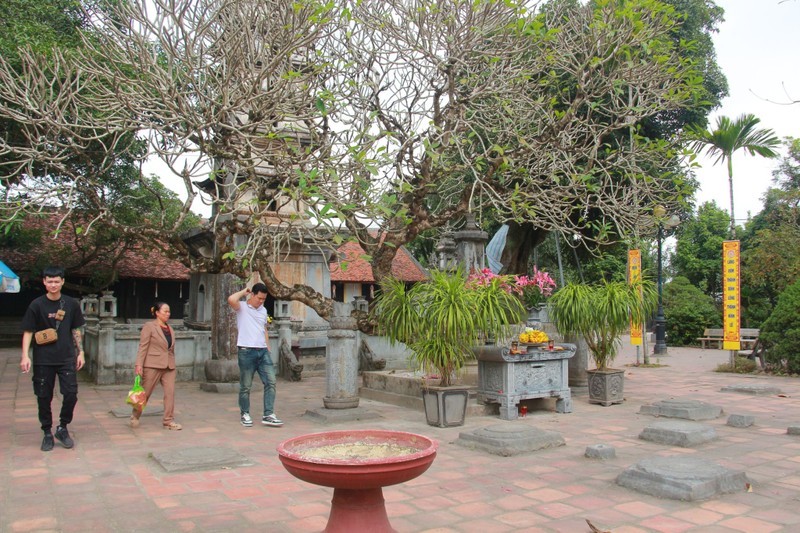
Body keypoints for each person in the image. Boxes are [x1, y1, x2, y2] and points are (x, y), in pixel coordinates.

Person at [20, 266, 86, 451]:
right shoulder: (36, 305)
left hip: (66, 357)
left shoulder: (71, 304)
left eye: (57, 281)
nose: (53, 285)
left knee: (71, 394)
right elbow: (28, 331)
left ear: (63, 282)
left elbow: (76, 329)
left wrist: (80, 352)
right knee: (43, 396)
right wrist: (25, 356)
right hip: (43, 359)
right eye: (50, 281)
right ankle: (47, 431)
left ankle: (62, 427)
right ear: (44, 282)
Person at [227, 282, 282, 427]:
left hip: (263, 351)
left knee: (271, 382)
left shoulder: (263, 310)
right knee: (246, 386)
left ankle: (268, 414)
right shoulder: (242, 307)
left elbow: (263, 328)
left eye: (264, 299)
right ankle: (245, 414)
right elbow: (231, 299)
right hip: (246, 351)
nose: (261, 301)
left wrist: (268, 346)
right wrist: (243, 291)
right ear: (252, 295)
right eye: (259, 298)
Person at [131, 302, 182, 430]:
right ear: (157, 313)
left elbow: (170, 348)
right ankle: (135, 415)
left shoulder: (170, 328)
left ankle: (168, 420)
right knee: (145, 393)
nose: (168, 314)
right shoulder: (149, 326)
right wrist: (139, 365)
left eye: (169, 311)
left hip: (169, 366)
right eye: (165, 311)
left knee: (170, 393)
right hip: (152, 365)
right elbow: (143, 347)